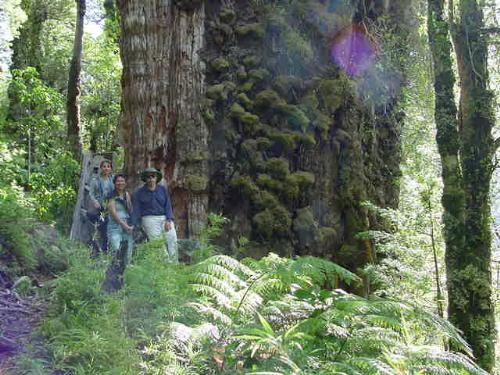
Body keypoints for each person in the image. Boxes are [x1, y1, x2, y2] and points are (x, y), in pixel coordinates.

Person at [132, 167, 178, 262]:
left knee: (172, 239)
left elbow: (168, 205)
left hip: (164, 218)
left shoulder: (162, 190)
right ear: (145, 179)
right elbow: (136, 210)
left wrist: (169, 220)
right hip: (149, 219)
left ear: (156, 178)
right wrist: (134, 224)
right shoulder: (139, 192)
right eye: (148, 177)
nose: (151, 179)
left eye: (153, 176)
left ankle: (175, 264)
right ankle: (167, 266)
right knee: (157, 244)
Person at [107, 173, 134, 264]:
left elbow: (130, 210)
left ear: (125, 183)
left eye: (122, 181)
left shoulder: (127, 194)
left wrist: (132, 224)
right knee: (117, 249)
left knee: (128, 250)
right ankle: (115, 272)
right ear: (114, 183)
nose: (120, 183)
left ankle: (126, 273)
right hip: (115, 226)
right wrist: (125, 226)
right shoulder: (111, 196)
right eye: (118, 181)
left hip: (127, 225)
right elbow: (113, 213)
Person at [88, 159, 114, 252]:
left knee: (109, 228)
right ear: (101, 168)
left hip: (110, 208)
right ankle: (96, 249)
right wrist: (95, 202)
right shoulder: (96, 180)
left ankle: (107, 249)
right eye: (104, 166)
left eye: (108, 166)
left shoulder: (112, 180)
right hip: (99, 207)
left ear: (110, 168)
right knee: (100, 228)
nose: (106, 168)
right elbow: (91, 193)